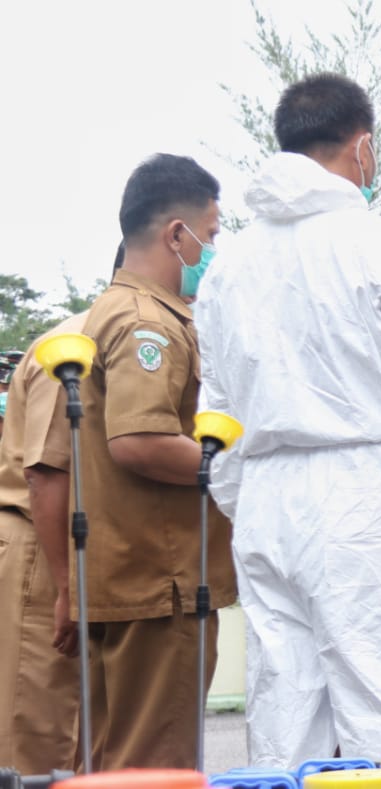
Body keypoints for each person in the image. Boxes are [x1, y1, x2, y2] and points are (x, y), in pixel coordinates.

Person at [196, 73, 381, 765]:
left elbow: (217, 411)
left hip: (264, 493)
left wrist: (246, 500)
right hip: (366, 492)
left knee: (283, 714)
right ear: (364, 148)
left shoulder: (228, 266)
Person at [74, 153, 234, 769]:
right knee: (157, 766)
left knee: (114, 764)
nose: (213, 251)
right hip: (162, 582)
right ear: (177, 234)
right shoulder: (150, 323)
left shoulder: (111, 311)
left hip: (128, 574)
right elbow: (139, 441)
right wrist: (236, 474)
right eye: (211, 235)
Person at [0, 324, 81, 774]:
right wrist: (67, 585)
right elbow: (44, 473)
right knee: (32, 740)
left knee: (71, 737)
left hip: (68, 545)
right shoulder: (72, 345)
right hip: (42, 542)